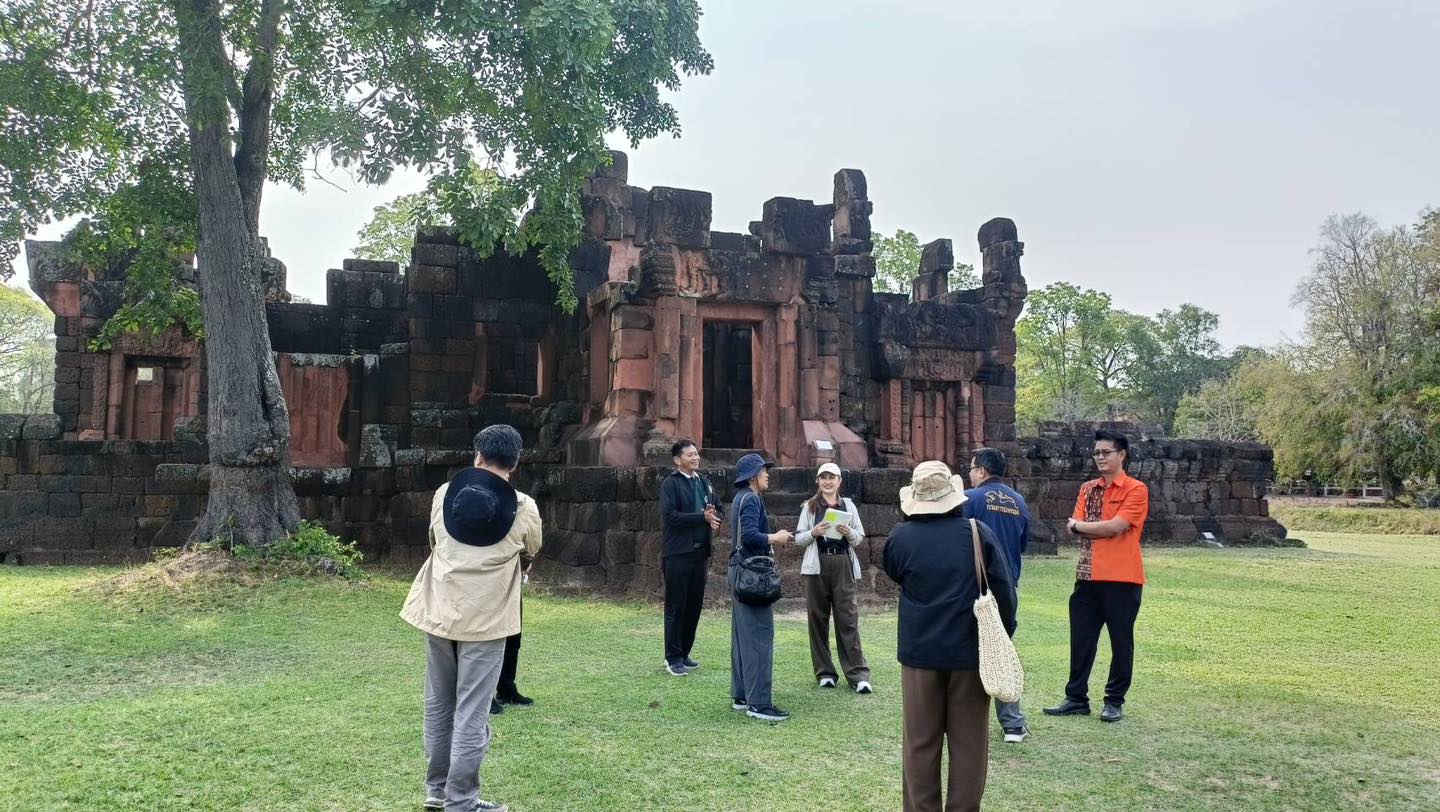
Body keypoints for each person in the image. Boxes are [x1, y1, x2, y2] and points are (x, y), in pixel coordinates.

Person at [401, 425, 542, 812]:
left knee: (439, 703)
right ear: (515, 463)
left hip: (439, 610)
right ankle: (461, 800)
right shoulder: (524, 507)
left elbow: (435, 540)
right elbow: (531, 550)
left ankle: (437, 790)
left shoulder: (445, 494)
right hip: (487, 619)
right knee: (471, 711)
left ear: (477, 456)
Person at [884, 460, 1016, 812]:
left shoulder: (900, 538)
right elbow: (1005, 593)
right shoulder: (976, 533)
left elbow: (895, 573)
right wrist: (1004, 635)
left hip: (919, 654)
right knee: (969, 746)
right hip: (970, 653)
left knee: (919, 744)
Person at [1043, 428, 1150, 724]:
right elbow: (1077, 526)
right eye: (1096, 453)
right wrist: (1088, 527)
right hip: (1087, 577)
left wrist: (1082, 527)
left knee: (1121, 643)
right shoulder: (1088, 488)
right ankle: (1076, 698)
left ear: (1122, 455)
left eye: (1106, 452)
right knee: (1081, 640)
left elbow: (1114, 526)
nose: (1100, 457)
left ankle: (1114, 701)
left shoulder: (1135, 489)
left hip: (1122, 579)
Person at [962, 447, 1031, 744]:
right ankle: (1013, 725)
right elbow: (1022, 543)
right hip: (1007, 586)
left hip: (973, 586)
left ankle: (964, 720)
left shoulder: (970, 498)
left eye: (971, 468)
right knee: (1001, 650)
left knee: (967, 651)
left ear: (982, 471)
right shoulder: (1019, 501)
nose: (970, 473)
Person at [794, 462, 872, 693]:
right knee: (817, 618)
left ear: (840, 481)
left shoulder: (848, 506)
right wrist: (814, 532)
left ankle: (858, 674)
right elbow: (798, 538)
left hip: (842, 563)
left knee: (848, 618)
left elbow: (859, 537)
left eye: (832, 477)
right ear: (818, 481)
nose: (828, 482)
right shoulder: (810, 506)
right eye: (824, 477)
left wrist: (849, 532)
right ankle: (825, 672)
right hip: (817, 564)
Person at [728, 452, 793, 722]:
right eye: (764, 471)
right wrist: (775, 537)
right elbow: (751, 535)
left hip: (739, 570)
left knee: (743, 636)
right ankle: (759, 704)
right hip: (751, 573)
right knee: (759, 636)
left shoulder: (740, 498)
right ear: (754, 475)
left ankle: (742, 695)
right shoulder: (752, 499)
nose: (767, 475)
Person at [658, 439, 722, 676]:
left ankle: (684, 653)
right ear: (677, 460)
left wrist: (714, 517)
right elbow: (671, 517)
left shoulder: (704, 482)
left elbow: (718, 508)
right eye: (690, 455)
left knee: (694, 606)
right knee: (676, 606)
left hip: (700, 553)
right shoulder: (670, 484)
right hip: (677, 554)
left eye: (696, 454)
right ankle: (673, 657)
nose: (695, 458)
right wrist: (701, 517)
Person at [490, 558, 534, 716]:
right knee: (487, 638)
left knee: (513, 634)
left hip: (511, 571)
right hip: (482, 575)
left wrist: (526, 559)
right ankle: (484, 696)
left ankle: (506, 688)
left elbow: (531, 544)